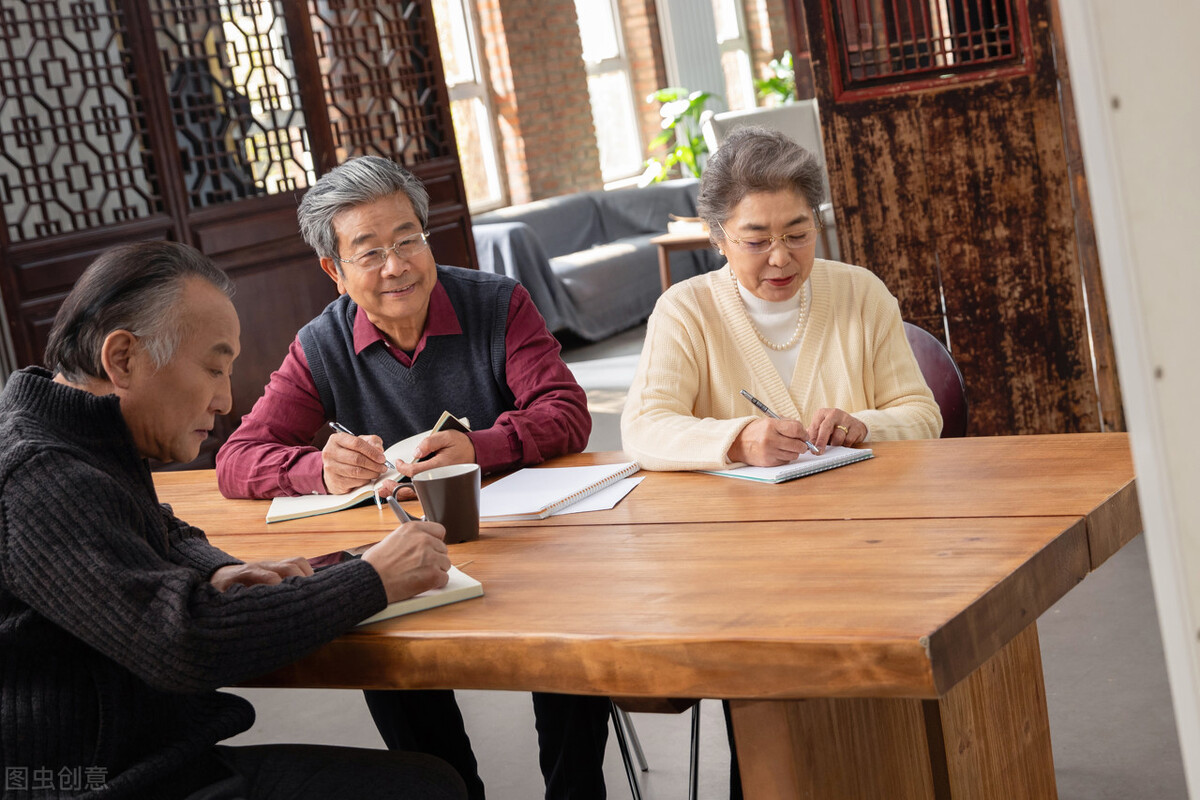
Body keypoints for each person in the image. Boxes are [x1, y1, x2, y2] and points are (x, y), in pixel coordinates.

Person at [0, 241, 465, 799]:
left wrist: (216, 570)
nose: (224, 400)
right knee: (425, 789)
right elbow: (183, 642)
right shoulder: (38, 475)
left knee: (428, 780)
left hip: (146, 759)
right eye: (213, 369)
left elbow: (158, 528)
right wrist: (372, 579)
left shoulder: (79, 433)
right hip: (92, 783)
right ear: (122, 359)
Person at [214, 156, 608, 799]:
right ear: (334, 271)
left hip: (527, 540)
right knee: (375, 622)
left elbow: (567, 413)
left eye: (407, 240)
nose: (395, 266)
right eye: (369, 252)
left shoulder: (498, 303)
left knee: (569, 632)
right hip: (405, 551)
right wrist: (319, 468)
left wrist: (479, 446)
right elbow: (238, 457)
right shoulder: (321, 344)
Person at [620, 127, 942, 796]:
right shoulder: (686, 310)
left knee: (883, 716)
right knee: (775, 706)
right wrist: (739, 437)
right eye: (755, 239)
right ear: (716, 237)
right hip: (744, 564)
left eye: (798, 233)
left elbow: (922, 414)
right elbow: (644, 429)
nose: (780, 257)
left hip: (869, 550)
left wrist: (866, 425)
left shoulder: (859, 293)